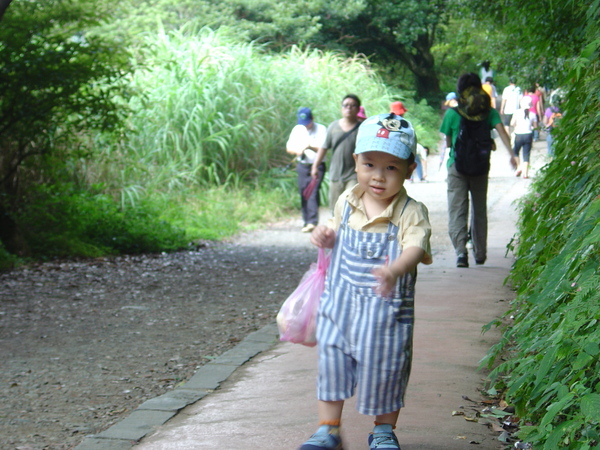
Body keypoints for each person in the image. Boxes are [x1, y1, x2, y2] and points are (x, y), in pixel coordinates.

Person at [300, 112, 432, 450]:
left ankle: (384, 431)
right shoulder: (347, 200)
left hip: (386, 314)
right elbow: (334, 233)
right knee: (332, 362)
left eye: (391, 168)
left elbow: (416, 247)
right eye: (370, 164)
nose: (378, 176)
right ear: (356, 161)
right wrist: (325, 236)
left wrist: (395, 269)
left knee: (386, 368)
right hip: (340, 307)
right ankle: (327, 429)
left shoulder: (409, 211)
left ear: (409, 170)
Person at [440, 73, 517, 268]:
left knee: (457, 210)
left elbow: (448, 142)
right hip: (481, 167)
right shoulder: (489, 113)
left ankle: (460, 253)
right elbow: (502, 132)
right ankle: (480, 253)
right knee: (479, 209)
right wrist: (512, 155)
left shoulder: (452, 113)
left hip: (456, 166)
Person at [311, 95, 361, 211]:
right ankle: (336, 228)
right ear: (341, 108)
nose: (349, 108)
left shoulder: (362, 128)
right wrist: (315, 166)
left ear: (358, 109)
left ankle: (350, 228)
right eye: (346, 105)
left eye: (353, 106)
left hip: (354, 174)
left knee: (352, 203)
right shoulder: (333, 127)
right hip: (335, 174)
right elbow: (324, 148)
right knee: (335, 207)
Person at [286, 107, 328, 233]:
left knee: (313, 191)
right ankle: (306, 221)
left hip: (318, 164)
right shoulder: (297, 130)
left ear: (312, 119)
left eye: (308, 122)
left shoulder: (321, 129)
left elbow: (323, 148)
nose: (306, 126)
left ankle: (312, 222)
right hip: (303, 165)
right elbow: (289, 148)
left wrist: (309, 146)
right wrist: (298, 150)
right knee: (303, 191)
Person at [510, 97, 538, 179]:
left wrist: (516, 126)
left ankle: (519, 167)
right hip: (528, 135)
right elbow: (535, 127)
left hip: (518, 135)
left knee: (515, 151)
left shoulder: (517, 112)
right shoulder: (533, 114)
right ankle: (525, 173)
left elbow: (512, 123)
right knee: (526, 154)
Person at [544, 89, 563, 161]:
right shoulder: (562, 109)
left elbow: (545, 121)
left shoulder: (548, 110)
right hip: (561, 133)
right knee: (560, 151)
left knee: (550, 151)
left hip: (551, 132)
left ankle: (551, 164)